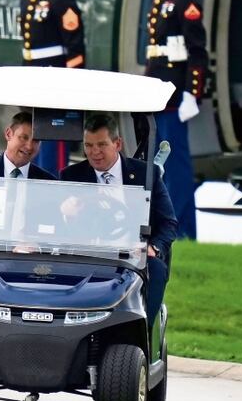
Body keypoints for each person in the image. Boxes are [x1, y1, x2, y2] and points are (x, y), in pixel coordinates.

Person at [60, 114, 177, 326]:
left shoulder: (144, 174)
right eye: (89, 145)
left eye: (102, 144)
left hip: (132, 253)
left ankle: (145, 331)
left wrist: (154, 248)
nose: (95, 152)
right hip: (87, 252)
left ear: (117, 143)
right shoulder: (70, 176)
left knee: (156, 269)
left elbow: (168, 223)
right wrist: (66, 214)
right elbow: (57, 225)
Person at [142, 0, 208, 241]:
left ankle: (183, 230)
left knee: (176, 167)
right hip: (159, 92)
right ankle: (167, 228)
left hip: (173, 94)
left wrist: (192, 93)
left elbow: (197, 50)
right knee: (159, 165)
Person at [14, 0, 85, 175]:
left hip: (55, 90)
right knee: (30, 149)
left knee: (52, 157)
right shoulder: (26, 0)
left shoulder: (61, 0)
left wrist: (70, 92)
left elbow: (75, 52)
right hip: (33, 87)